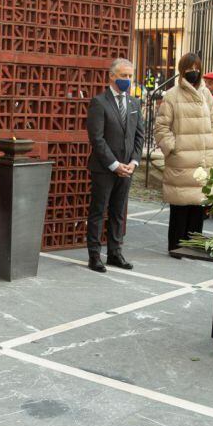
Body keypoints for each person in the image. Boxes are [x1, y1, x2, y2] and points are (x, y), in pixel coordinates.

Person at [155, 52, 213, 253]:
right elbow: (161, 128)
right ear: (182, 71)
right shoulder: (172, 95)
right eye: (189, 69)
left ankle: (193, 247)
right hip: (182, 160)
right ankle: (176, 247)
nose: (194, 72)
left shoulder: (206, 94)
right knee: (180, 207)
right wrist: (173, 148)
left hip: (203, 159)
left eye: (197, 68)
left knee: (199, 206)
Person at [85, 58, 142, 273]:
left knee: (119, 212)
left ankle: (115, 253)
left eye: (130, 76)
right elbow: (97, 138)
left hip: (127, 168)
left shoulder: (135, 103)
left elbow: (139, 136)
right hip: (104, 168)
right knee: (99, 211)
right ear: (112, 76)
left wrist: (133, 163)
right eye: (123, 76)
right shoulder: (99, 102)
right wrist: (114, 164)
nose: (127, 80)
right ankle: (94, 255)